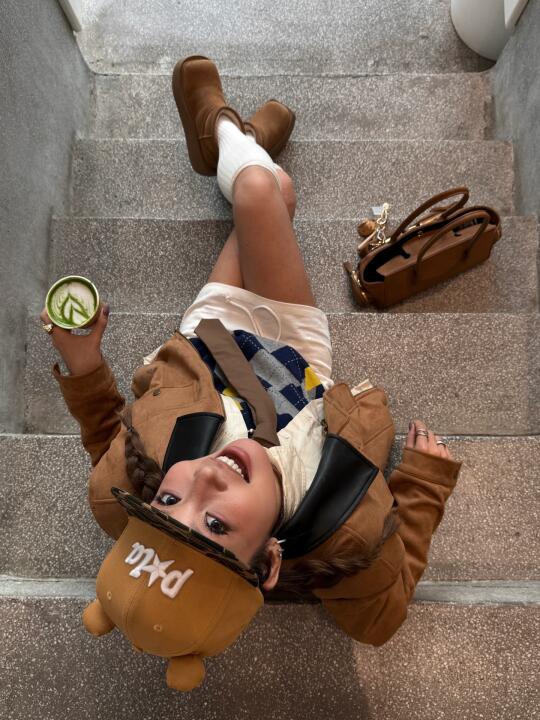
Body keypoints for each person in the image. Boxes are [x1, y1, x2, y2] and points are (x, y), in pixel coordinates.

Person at [39, 56, 462, 691]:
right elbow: (384, 617)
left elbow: (107, 442)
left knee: (264, 193)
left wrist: (84, 365)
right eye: (215, 525)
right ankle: (233, 135)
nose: (204, 478)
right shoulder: (342, 539)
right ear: (267, 563)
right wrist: (425, 482)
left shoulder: (118, 496)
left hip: (212, 343)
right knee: (270, 192)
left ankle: (226, 131)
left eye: (168, 501)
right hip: (298, 360)